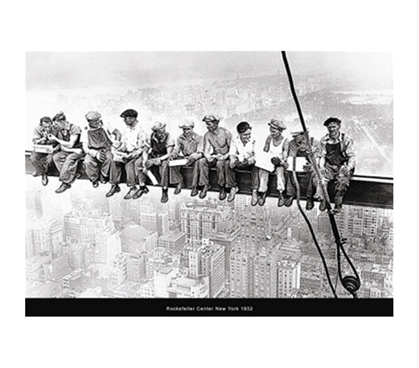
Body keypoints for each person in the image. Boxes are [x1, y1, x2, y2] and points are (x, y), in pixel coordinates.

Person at [314, 117, 356, 212]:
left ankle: (338, 203)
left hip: (342, 165)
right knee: (321, 179)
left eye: (334, 127)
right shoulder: (324, 140)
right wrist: (321, 167)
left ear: (339, 127)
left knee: (342, 182)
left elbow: (351, 156)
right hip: (330, 165)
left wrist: (348, 167)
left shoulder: (346, 139)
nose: (331, 129)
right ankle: (324, 199)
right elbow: (322, 156)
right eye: (329, 127)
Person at [106, 109, 146, 199]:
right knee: (114, 160)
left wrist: (133, 154)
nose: (124, 121)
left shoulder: (141, 129)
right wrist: (118, 150)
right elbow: (124, 144)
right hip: (128, 153)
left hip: (138, 154)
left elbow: (143, 147)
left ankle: (133, 188)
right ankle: (114, 185)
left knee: (129, 165)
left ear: (132, 118)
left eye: (126, 118)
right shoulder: (127, 129)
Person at [81, 111, 121, 188]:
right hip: (92, 151)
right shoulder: (85, 130)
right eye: (94, 121)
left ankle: (103, 175)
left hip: (106, 149)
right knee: (87, 162)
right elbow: (85, 148)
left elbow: (118, 133)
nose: (97, 122)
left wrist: (117, 142)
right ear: (89, 122)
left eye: (97, 120)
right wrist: (95, 154)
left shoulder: (105, 126)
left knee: (110, 158)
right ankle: (94, 179)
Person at [137, 121, 175, 203]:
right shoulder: (151, 137)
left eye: (163, 131)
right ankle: (142, 186)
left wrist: (157, 160)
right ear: (155, 132)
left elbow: (169, 154)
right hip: (154, 155)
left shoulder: (169, 137)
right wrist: (145, 161)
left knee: (165, 166)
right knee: (139, 162)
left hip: (163, 157)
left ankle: (164, 189)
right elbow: (145, 151)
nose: (162, 134)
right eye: (160, 132)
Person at [197, 114, 233, 200]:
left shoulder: (226, 133)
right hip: (216, 156)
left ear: (216, 124)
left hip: (225, 157)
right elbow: (206, 150)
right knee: (202, 161)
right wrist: (208, 156)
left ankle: (222, 187)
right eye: (206, 124)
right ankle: (205, 185)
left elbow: (232, 150)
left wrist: (224, 156)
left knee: (220, 164)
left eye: (209, 124)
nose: (207, 126)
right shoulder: (207, 135)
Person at [48, 112, 84, 194]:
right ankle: (72, 175)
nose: (56, 126)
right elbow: (62, 146)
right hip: (70, 150)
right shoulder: (60, 131)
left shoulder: (74, 128)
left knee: (69, 158)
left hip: (79, 150)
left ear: (62, 122)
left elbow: (71, 144)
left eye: (57, 124)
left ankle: (65, 182)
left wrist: (56, 139)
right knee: (56, 157)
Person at [284, 130, 321, 210]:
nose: (294, 138)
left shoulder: (315, 142)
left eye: (296, 136)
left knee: (313, 172)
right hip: (297, 164)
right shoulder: (293, 143)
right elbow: (291, 157)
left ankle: (309, 197)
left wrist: (311, 163)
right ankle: (290, 194)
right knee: (288, 170)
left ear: (303, 134)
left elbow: (317, 159)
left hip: (310, 164)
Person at [168, 119, 204, 196]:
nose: (186, 131)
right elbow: (177, 149)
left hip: (194, 158)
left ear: (192, 128)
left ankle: (194, 186)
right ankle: (179, 181)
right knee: (172, 162)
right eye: (184, 129)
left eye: (188, 129)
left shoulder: (199, 138)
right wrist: (172, 155)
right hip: (185, 157)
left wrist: (193, 157)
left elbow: (200, 152)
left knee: (197, 163)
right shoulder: (180, 138)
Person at [258, 118, 289, 207]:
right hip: (269, 162)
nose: (272, 133)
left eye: (274, 132)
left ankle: (281, 193)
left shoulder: (285, 141)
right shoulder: (269, 138)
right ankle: (263, 192)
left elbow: (285, 155)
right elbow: (265, 151)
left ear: (279, 131)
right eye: (271, 131)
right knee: (263, 171)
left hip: (279, 163)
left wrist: (280, 161)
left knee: (280, 173)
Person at [226, 121, 259, 204]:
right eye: (245, 135)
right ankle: (233, 187)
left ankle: (255, 190)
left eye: (249, 134)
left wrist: (249, 161)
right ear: (239, 134)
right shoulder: (235, 139)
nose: (248, 137)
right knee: (228, 164)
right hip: (240, 161)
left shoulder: (255, 139)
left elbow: (257, 155)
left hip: (251, 162)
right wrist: (233, 160)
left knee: (256, 166)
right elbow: (232, 153)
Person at [30, 116, 59, 186]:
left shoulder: (56, 129)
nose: (48, 128)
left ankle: (43, 174)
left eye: (49, 126)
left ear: (51, 124)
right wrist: (42, 139)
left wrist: (54, 149)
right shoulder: (37, 129)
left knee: (49, 161)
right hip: (41, 148)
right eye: (45, 127)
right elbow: (35, 141)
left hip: (52, 149)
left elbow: (60, 143)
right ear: (41, 125)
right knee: (33, 158)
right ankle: (40, 171)